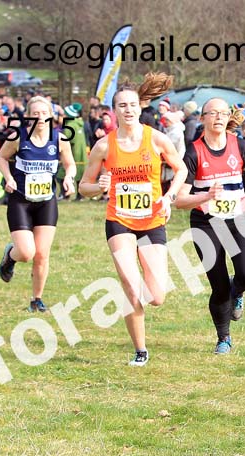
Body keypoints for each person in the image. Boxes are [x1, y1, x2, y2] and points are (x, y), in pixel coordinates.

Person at [78, 72, 187, 366]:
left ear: (140, 107)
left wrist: (169, 197)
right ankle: (140, 350)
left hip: (152, 221)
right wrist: (97, 187)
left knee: (157, 295)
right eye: (122, 105)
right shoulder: (104, 146)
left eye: (132, 104)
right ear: (114, 111)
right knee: (129, 282)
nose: (128, 110)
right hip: (119, 219)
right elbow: (83, 186)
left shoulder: (157, 139)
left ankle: (139, 301)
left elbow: (181, 170)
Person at [175, 98, 245, 354]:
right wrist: (205, 196)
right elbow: (180, 201)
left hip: (237, 219)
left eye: (223, 113)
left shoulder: (239, 145)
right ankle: (223, 338)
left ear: (228, 117)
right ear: (203, 118)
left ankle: (237, 289)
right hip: (205, 224)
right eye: (212, 113)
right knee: (218, 287)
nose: (218, 117)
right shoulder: (193, 152)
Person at [0, 96, 77, 312]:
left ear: (51, 116)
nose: (40, 118)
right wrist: (9, 178)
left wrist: (69, 178)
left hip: (46, 202)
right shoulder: (18, 137)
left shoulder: (59, 139)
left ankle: (36, 299)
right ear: (27, 117)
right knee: (25, 252)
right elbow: (2, 158)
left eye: (44, 113)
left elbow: (70, 164)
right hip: (20, 201)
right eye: (35, 114)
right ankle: (9, 256)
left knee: (42, 254)